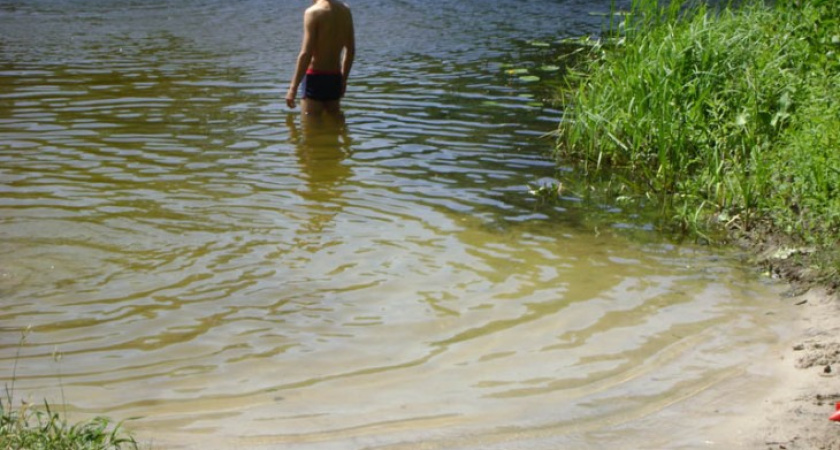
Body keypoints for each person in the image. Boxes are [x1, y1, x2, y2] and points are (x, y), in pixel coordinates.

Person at [285, 0, 355, 116]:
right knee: (334, 125)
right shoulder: (345, 10)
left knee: (310, 129)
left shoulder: (313, 12)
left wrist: (293, 88)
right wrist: (343, 80)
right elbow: (350, 50)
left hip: (315, 77)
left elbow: (305, 54)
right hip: (335, 76)